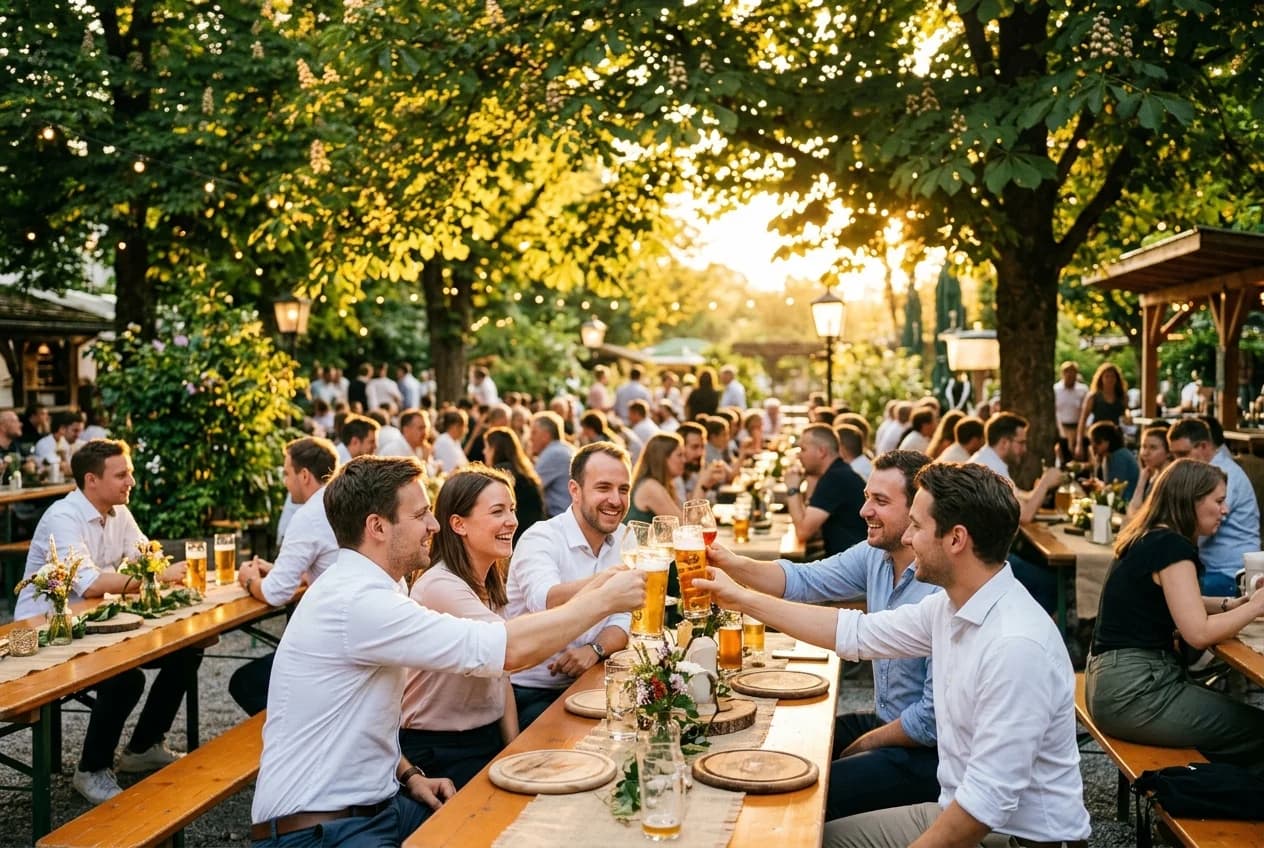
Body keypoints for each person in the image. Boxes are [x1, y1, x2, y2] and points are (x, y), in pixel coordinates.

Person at [249, 455, 644, 847]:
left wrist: (409, 775)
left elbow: (364, 719)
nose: (434, 525)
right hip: (320, 831)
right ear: (377, 527)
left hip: (380, 806)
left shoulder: (381, 587)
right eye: (421, 514)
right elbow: (506, 650)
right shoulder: (359, 601)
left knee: (531, 822)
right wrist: (603, 600)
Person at [694, 462, 1091, 847]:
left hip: (1015, 837)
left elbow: (981, 810)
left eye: (917, 526)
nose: (907, 538)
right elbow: (855, 633)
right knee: (808, 834)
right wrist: (739, 598)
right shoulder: (951, 606)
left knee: (806, 830)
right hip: (956, 808)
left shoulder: (1015, 646)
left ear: (956, 539)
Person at [706, 451, 940, 821]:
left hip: (928, 755)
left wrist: (864, 745)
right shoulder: (876, 555)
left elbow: (929, 722)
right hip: (887, 722)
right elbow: (805, 580)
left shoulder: (938, 586)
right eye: (867, 497)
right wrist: (730, 562)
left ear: (916, 512)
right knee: (783, 745)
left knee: (801, 793)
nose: (864, 511)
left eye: (880, 501)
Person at [15, 440, 195, 804]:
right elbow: (92, 584)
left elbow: (145, 556)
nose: (131, 481)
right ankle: (91, 770)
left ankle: (142, 747)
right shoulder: (63, 517)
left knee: (187, 648)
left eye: (130, 473)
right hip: (44, 632)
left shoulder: (119, 512)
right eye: (122, 474)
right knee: (126, 677)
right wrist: (156, 576)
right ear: (91, 480)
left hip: (95, 625)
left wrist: (156, 566)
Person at [1086, 459, 1264, 768]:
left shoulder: (1149, 537)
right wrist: (1255, 606)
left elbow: (1174, 598)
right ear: (1191, 501)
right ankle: (1216, 792)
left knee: (1234, 723)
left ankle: (1210, 784)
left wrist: (1229, 605)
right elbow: (1198, 634)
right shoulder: (1172, 548)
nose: (1225, 510)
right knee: (1257, 730)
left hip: (1110, 683)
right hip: (1136, 691)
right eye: (1218, 501)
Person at [398, 466, 522, 788]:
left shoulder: (489, 581)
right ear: (458, 524)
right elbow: (512, 651)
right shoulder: (440, 586)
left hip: (484, 737)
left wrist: (513, 750)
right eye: (498, 511)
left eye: (512, 509)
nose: (511, 520)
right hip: (437, 750)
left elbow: (502, 676)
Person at [505, 442, 634, 728]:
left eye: (623, 489)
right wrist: (609, 582)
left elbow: (624, 617)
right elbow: (546, 600)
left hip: (595, 677)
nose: (615, 500)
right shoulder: (541, 537)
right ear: (575, 490)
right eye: (603, 488)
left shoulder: (626, 537)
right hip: (532, 691)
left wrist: (595, 649)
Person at [230, 437, 342, 715]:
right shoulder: (341, 503)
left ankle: (297, 730)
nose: (284, 482)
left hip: (332, 645)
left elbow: (275, 593)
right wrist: (281, 570)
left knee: (244, 683)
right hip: (350, 630)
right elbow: (329, 562)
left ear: (304, 475)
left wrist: (248, 579)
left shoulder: (309, 515)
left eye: (286, 473)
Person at [1167, 417, 1261, 595]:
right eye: (1173, 455)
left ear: (1203, 446)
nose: (1176, 462)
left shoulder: (1222, 475)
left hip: (1230, 574)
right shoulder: (1205, 473)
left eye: (1182, 454)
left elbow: (1191, 524)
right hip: (1213, 569)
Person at [784, 424, 867, 556]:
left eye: (803, 449)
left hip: (850, 565)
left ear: (821, 451)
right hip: (845, 558)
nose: (798, 455)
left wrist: (792, 489)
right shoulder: (837, 472)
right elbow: (813, 527)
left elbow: (803, 532)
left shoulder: (835, 478)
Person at [484, 426, 545, 542]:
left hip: (514, 536)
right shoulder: (523, 473)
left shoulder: (500, 474)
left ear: (495, 449)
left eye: (486, 447)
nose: (484, 451)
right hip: (533, 533)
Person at [625, 432, 685, 524]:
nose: (684, 460)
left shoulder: (665, 484)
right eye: (679, 455)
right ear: (662, 458)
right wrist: (702, 485)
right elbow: (683, 526)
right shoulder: (650, 487)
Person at [1074, 362, 1128, 460]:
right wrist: (1079, 443)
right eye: (1107, 376)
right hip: (1097, 436)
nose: (1110, 379)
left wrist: (1128, 418)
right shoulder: (1093, 397)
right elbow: (1083, 420)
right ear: (1101, 379)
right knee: (1098, 462)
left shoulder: (1122, 397)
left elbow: (1125, 414)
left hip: (1115, 436)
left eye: (1112, 376)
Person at [528, 410, 574, 518]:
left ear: (545, 435)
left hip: (558, 517)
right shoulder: (565, 449)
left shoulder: (553, 453)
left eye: (534, 432)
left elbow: (530, 488)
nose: (530, 438)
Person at [1088, 420, 1140, 501]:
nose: (1093, 446)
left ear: (1106, 441)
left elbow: (1116, 490)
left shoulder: (1119, 457)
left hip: (1127, 501)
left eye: (1096, 442)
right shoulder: (1109, 456)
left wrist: (1100, 486)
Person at [1127, 424, 1171, 516]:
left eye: (1153, 447)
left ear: (1168, 452)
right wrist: (1142, 480)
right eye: (1143, 447)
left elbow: (1135, 513)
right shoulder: (1151, 475)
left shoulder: (1170, 479)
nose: (1145, 453)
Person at [432, 409, 470, 473]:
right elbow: (457, 468)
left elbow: (465, 464)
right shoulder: (444, 442)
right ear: (455, 426)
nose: (466, 430)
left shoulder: (454, 441)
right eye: (464, 426)